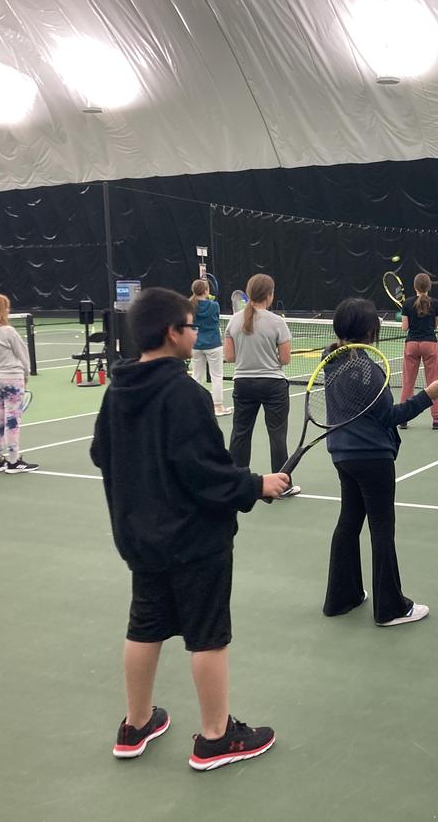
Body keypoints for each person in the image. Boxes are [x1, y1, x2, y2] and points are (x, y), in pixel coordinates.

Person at [90, 287, 292, 771]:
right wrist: (256, 484)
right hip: (194, 542)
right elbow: (206, 473)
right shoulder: (186, 395)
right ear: (170, 333)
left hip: (140, 540)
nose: (196, 332)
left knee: (145, 625)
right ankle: (215, 738)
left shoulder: (117, 390)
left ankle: (135, 724)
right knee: (207, 635)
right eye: (189, 324)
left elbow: (102, 453)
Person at [321, 298, 438, 626]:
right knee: (381, 528)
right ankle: (391, 608)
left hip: (342, 455)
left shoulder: (329, 359)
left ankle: (341, 597)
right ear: (369, 330)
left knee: (349, 521)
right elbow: (390, 416)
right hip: (372, 457)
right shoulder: (369, 369)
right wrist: (428, 395)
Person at [224, 273, 299, 497]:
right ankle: (282, 486)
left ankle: (234, 483)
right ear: (270, 295)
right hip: (273, 386)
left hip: (243, 384)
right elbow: (285, 359)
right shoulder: (277, 322)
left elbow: (229, 357)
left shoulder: (233, 321)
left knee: (240, 433)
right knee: (277, 435)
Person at [0, 293, 38, 473]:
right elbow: (23, 354)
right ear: (0, 310)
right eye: (6, 307)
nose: (9, 310)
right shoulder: (7, 331)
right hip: (12, 378)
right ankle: (13, 461)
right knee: (12, 419)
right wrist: (26, 374)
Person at [399, 272, 438, 430]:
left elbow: (405, 327)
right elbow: (435, 326)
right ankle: (436, 419)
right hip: (429, 344)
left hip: (411, 344)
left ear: (415, 287)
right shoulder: (436, 304)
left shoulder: (407, 304)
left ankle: (403, 419)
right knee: (433, 383)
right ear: (429, 287)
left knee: (408, 383)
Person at [189, 279, 229, 416]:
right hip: (213, 345)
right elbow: (215, 318)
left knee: (196, 376)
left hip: (196, 345)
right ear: (206, 291)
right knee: (216, 376)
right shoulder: (214, 306)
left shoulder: (190, 306)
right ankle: (217, 407)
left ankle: (194, 405)